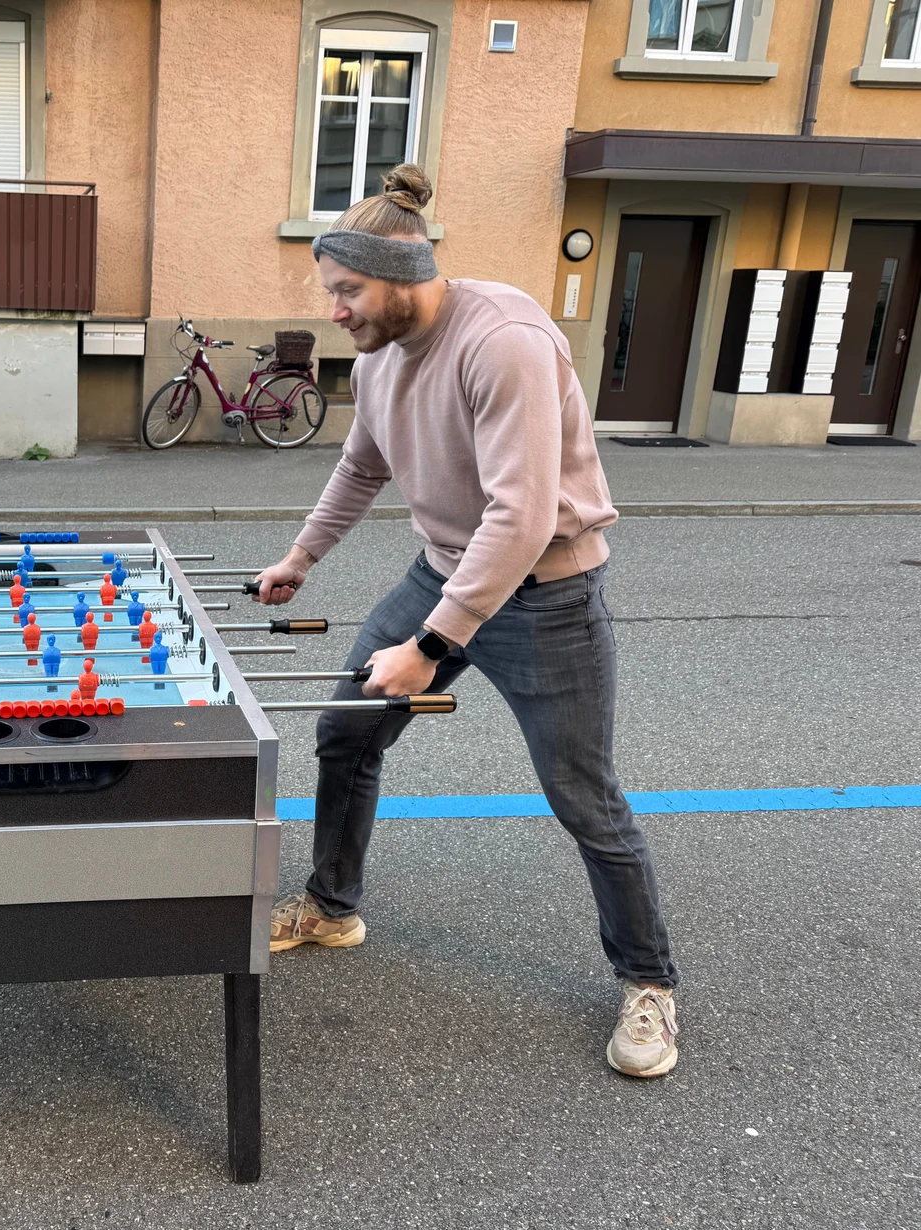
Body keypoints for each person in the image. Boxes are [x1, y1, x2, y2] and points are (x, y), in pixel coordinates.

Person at [253, 164, 681, 1079]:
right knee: (346, 731)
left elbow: (522, 517)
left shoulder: (506, 341)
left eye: (347, 291)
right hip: (442, 571)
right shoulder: (376, 361)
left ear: (402, 277)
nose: (336, 311)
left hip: (547, 595)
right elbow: (361, 472)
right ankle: (333, 904)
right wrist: (300, 559)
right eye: (330, 292)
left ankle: (649, 983)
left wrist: (430, 646)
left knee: (586, 800)